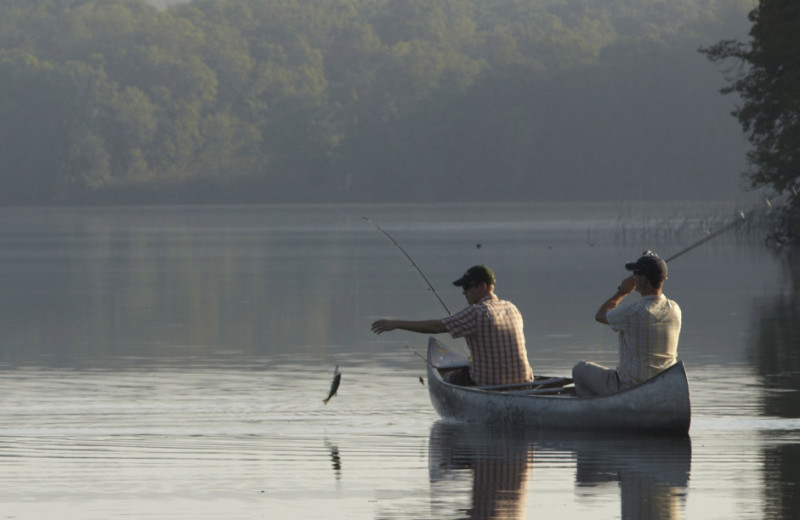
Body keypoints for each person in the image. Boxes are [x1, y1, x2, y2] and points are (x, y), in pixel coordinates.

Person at [371, 265, 533, 387]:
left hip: (488, 383)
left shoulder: (476, 312)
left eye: (467, 287)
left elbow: (435, 327)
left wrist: (395, 324)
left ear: (482, 286)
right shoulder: (512, 308)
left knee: (447, 379)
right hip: (524, 379)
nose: (464, 292)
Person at [572, 251, 681, 397]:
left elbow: (600, 315)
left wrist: (622, 292)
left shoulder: (633, 312)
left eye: (636, 274)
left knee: (579, 370)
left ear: (644, 281)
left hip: (629, 387)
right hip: (662, 385)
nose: (633, 277)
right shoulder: (675, 309)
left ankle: (595, 408)